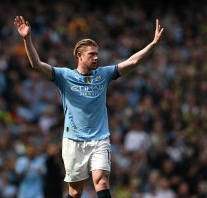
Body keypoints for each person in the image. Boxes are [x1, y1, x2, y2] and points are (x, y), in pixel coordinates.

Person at [14, 15, 164, 198]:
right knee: (75, 192)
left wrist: (153, 44)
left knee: (101, 180)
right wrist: (27, 38)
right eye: (91, 54)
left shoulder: (103, 75)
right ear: (79, 56)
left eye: (97, 54)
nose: (96, 58)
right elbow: (36, 65)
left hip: (100, 139)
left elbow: (132, 61)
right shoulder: (64, 76)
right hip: (73, 140)